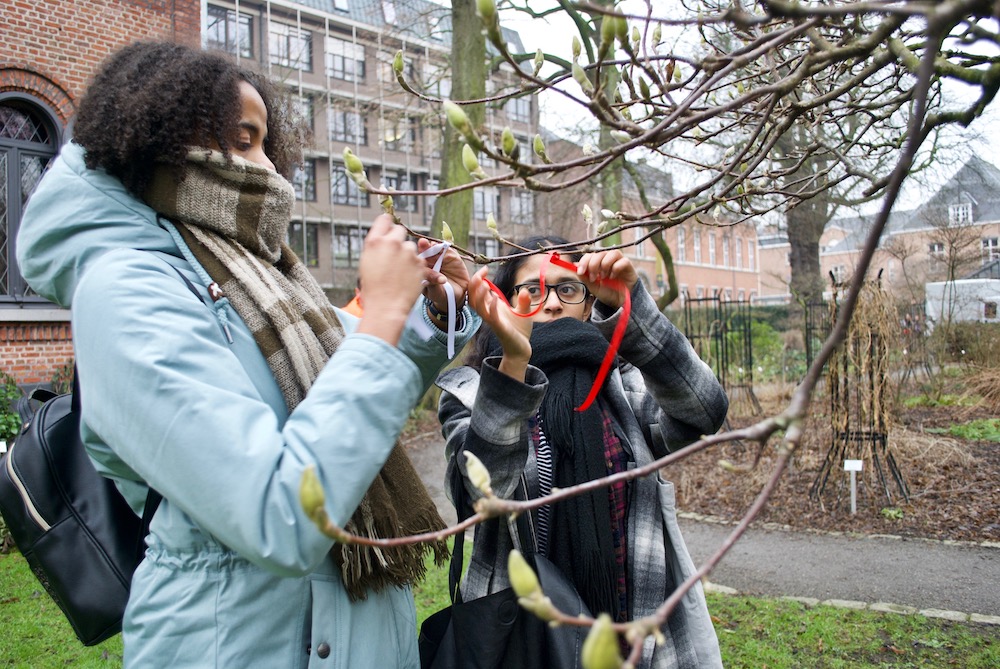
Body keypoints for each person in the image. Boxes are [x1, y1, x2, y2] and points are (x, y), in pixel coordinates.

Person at [16, 41, 477, 668]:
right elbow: (275, 513)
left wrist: (426, 316)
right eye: (241, 140)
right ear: (159, 139)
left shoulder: (255, 274)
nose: (269, 169)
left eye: (266, 143)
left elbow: (329, 375)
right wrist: (384, 318)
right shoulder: (125, 290)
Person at [436, 237, 728, 668]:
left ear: (589, 303)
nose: (550, 304)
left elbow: (704, 410)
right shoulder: (472, 392)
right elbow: (488, 493)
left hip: (634, 632)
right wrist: (514, 362)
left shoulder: (623, 386)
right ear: (505, 301)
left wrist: (634, 309)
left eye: (566, 289)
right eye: (532, 290)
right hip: (525, 641)